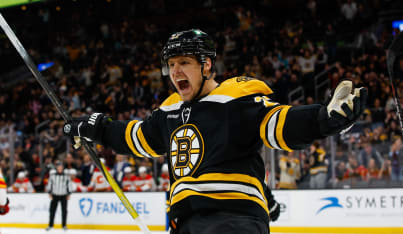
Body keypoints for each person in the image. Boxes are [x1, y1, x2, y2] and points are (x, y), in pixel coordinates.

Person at [64, 29, 367, 234]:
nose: (175, 72)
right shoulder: (168, 111)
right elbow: (136, 138)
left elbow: (279, 123)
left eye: (184, 62)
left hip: (233, 220)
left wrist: (322, 119)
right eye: (171, 64)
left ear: (206, 65)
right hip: (185, 222)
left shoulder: (235, 97)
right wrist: (95, 129)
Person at [46, 161, 72, 231]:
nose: (60, 168)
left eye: (61, 167)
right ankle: (50, 225)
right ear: (57, 168)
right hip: (55, 195)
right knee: (52, 211)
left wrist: (69, 194)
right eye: (59, 167)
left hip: (64, 195)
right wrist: (49, 193)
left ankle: (64, 225)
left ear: (63, 168)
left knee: (64, 211)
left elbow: (69, 185)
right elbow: (49, 185)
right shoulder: (52, 176)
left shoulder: (66, 176)